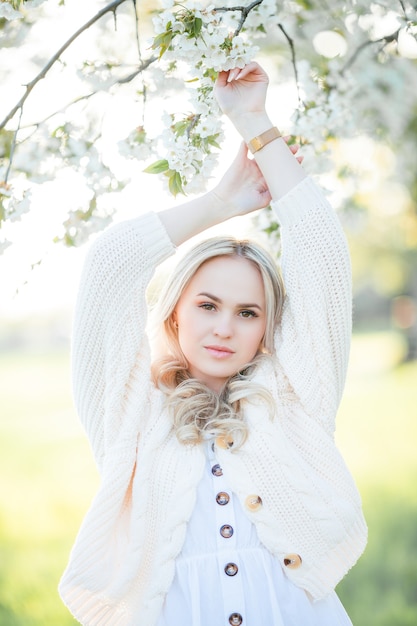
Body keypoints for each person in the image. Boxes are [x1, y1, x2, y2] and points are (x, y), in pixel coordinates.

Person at [59, 62, 367, 626]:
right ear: (174, 312)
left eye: (247, 313)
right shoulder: (133, 415)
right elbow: (109, 265)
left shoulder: (294, 401)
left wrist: (254, 121)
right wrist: (219, 204)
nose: (224, 327)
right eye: (207, 305)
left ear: (267, 330)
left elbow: (321, 249)